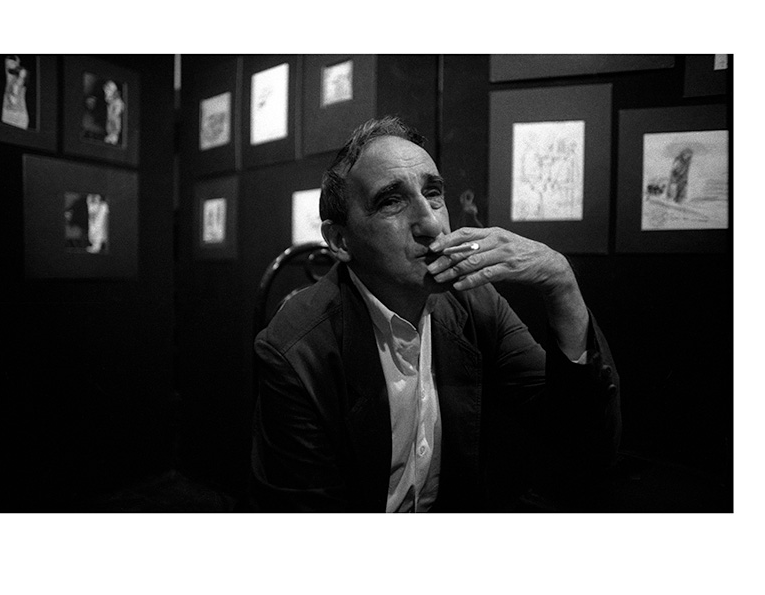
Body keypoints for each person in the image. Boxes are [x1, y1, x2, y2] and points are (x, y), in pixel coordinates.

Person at [249, 116, 621, 512]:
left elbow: (582, 440)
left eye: (433, 193)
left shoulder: (475, 302)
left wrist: (561, 282)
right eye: (391, 201)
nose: (431, 222)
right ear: (340, 240)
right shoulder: (296, 348)